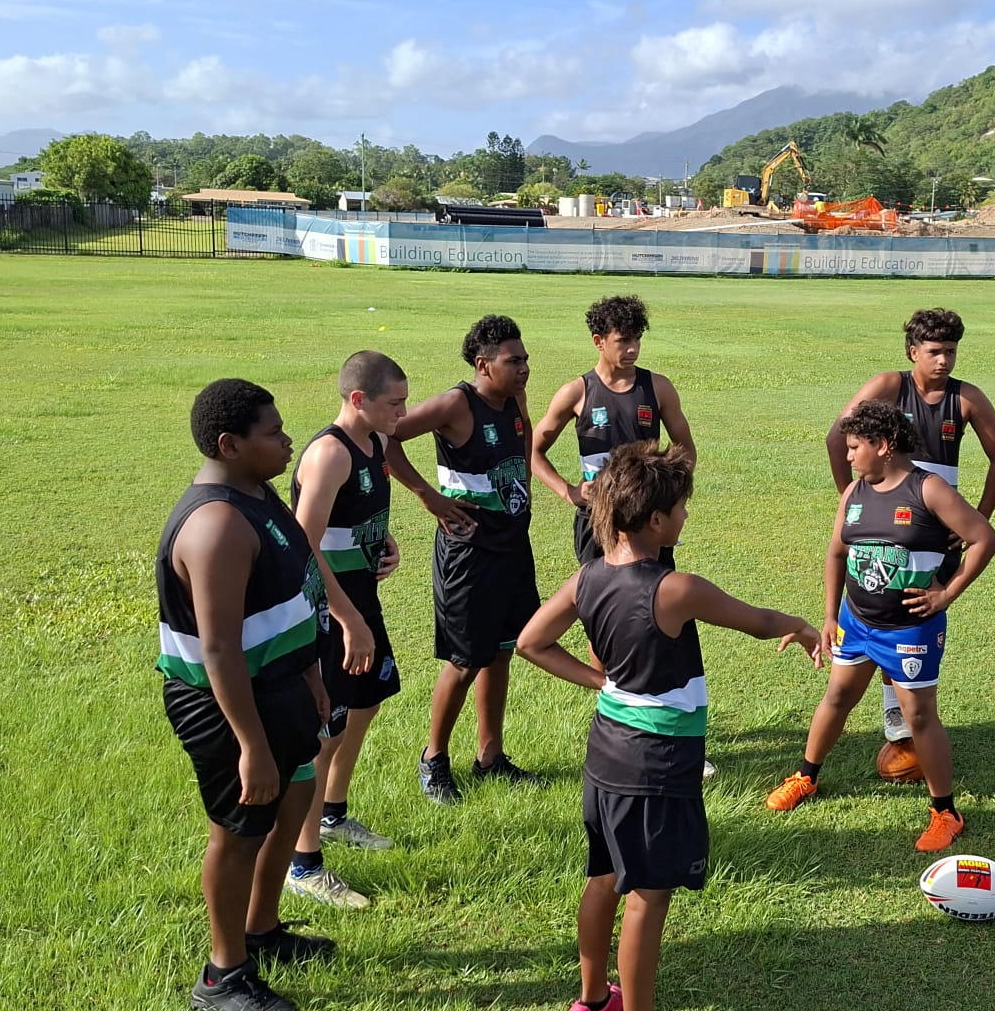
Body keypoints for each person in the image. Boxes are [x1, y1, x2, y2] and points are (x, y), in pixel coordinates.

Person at [517, 443, 823, 1011]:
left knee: (604, 874)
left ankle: (593, 1001)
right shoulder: (674, 588)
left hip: (606, 753)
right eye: (680, 507)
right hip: (655, 765)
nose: (685, 515)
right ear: (655, 520)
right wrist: (800, 625)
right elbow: (756, 619)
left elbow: (530, 642)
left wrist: (599, 683)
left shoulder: (588, 575)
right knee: (646, 898)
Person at [155, 378, 338, 1011]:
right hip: (228, 702)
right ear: (231, 445)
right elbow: (220, 652)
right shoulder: (217, 527)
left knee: (293, 796)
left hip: (283, 684)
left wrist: (312, 674)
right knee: (238, 831)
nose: (289, 440)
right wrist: (253, 747)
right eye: (273, 432)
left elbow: (295, 591)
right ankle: (222, 974)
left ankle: (263, 930)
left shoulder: (258, 496)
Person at [769, 399, 995, 850]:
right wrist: (831, 615)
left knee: (918, 716)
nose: (848, 455)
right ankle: (806, 776)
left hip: (909, 630)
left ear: (885, 445)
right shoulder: (854, 493)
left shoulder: (928, 489)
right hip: (857, 622)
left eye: (855, 447)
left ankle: (945, 812)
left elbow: (983, 538)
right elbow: (838, 553)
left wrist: (946, 593)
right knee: (837, 696)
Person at [824, 308, 995, 781]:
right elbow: (835, 436)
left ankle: (906, 720)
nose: (944, 360)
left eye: (951, 351)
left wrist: (979, 515)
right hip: (886, 511)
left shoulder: (965, 398)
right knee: (883, 604)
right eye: (935, 352)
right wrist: (852, 497)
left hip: (936, 522)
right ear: (913, 352)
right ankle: (899, 724)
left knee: (911, 611)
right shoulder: (888, 385)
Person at [393, 315, 543, 804]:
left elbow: (523, 445)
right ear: (483, 364)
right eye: (513, 360)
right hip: (469, 554)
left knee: (502, 651)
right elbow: (385, 437)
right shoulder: (456, 404)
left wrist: (520, 492)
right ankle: (433, 759)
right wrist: (426, 496)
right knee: (464, 660)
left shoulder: (514, 400)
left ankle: (489, 756)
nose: (524, 367)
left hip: (512, 547)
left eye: (524, 358)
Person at [283, 351, 409, 911]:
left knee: (365, 706)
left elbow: (353, 524)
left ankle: (332, 815)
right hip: (332, 614)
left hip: (362, 598)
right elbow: (304, 543)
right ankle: (302, 865)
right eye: (394, 403)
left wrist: (385, 545)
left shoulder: (375, 444)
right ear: (358, 400)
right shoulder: (330, 454)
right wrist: (348, 620)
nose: (403, 413)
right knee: (326, 730)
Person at [532, 293, 696, 568]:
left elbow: (686, 450)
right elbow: (533, 451)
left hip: (647, 520)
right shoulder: (576, 393)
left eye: (637, 339)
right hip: (598, 519)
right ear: (599, 341)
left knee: (654, 601)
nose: (633, 349)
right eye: (623, 341)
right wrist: (568, 492)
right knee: (601, 602)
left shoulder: (658, 388)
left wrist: (668, 494)